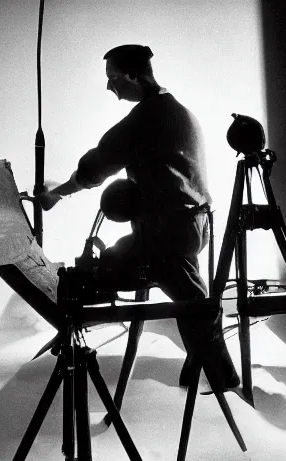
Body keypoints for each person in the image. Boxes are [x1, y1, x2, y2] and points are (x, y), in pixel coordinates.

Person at [39, 44, 239, 391]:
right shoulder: (180, 111)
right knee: (192, 298)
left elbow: (97, 164)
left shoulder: (146, 117)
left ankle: (226, 390)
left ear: (132, 75)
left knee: (94, 276)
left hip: (166, 235)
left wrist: (57, 192)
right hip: (193, 229)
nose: (109, 88)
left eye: (112, 79)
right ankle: (204, 373)